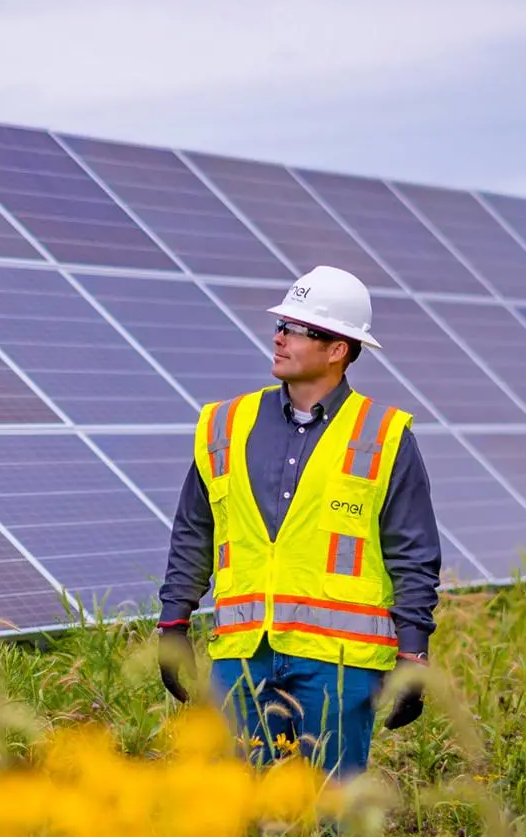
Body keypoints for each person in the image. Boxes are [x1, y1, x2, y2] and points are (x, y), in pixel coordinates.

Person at [155, 265, 441, 777]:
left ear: (338, 349)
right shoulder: (226, 424)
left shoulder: (385, 435)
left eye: (297, 328)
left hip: (339, 666)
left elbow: (413, 554)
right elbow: (195, 530)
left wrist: (414, 654)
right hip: (244, 656)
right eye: (281, 324)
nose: (279, 336)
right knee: (234, 812)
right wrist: (174, 621)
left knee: (334, 819)